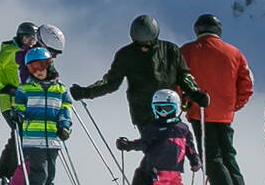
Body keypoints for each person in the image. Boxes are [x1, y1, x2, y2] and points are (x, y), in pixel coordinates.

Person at [71, 15, 208, 128]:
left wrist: (196, 93)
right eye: (139, 44)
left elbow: (184, 76)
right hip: (143, 113)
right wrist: (86, 92)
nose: (143, 48)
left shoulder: (170, 50)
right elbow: (111, 82)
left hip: (169, 109)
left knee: (171, 148)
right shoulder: (126, 55)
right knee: (154, 149)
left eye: (147, 44)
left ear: (154, 38)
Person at [180, 14, 256, 185]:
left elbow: (178, 80)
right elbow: (247, 84)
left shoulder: (187, 51)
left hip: (200, 112)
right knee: (228, 157)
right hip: (224, 114)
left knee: (211, 158)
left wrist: (184, 102)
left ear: (197, 30)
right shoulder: (234, 52)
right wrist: (233, 106)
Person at [116, 89, 202, 185]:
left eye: (167, 108)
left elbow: (189, 147)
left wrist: (194, 159)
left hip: (175, 171)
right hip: (157, 168)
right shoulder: (153, 127)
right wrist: (129, 145)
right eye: (158, 108)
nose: (162, 112)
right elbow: (143, 143)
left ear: (175, 107)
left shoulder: (182, 128)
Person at [11, 34, 73, 185]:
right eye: (33, 68)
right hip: (33, 138)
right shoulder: (25, 89)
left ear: (49, 65)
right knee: (39, 173)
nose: (38, 71)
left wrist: (65, 127)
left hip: (53, 139)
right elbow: (19, 108)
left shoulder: (60, 90)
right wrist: (18, 116)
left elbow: (65, 110)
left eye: (41, 66)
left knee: (50, 175)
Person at [0, 22, 39, 185]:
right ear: (20, 36)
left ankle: (10, 176)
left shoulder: (30, 52)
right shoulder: (11, 51)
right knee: (18, 137)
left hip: (24, 101)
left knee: (19, 137)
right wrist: (2, 87)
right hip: (10, 102)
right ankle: (5, 176)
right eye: (27, 38)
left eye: (33, 38)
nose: (30, 41)